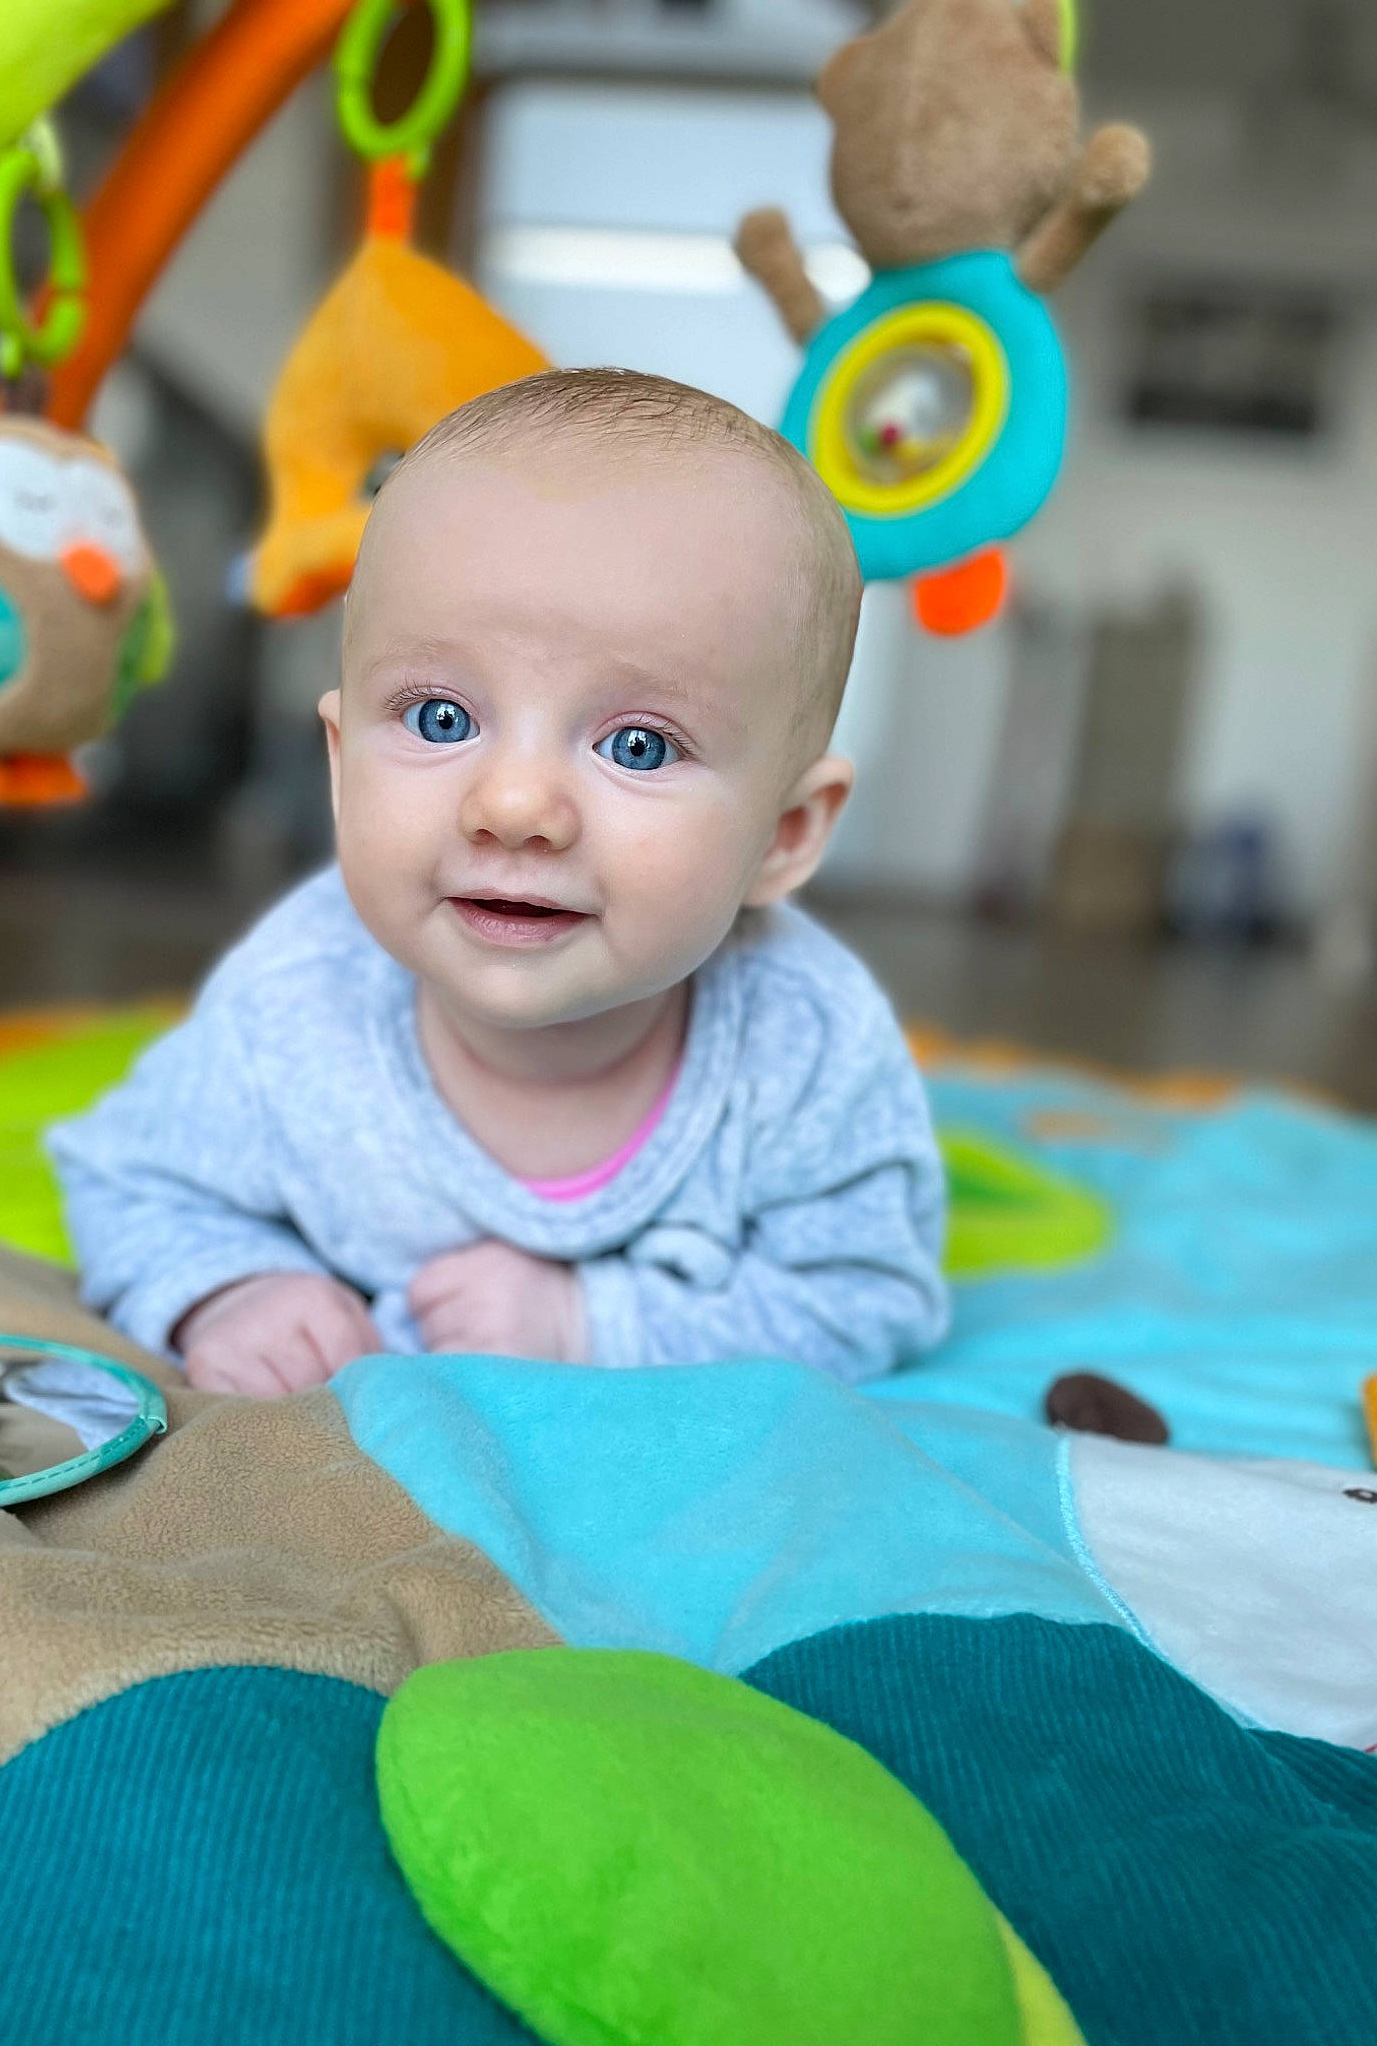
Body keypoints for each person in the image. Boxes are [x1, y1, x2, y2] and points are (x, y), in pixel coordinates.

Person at [48, 368, 948, 1395]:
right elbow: (128, 1176)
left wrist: (586, 1320)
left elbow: (869, 1297)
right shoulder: (296, 1001)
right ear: (342, 765)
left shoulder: (806, 1045)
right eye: (441, 717)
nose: (514, 804)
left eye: (641, 746)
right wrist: (233, 1286)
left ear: (784, 835)